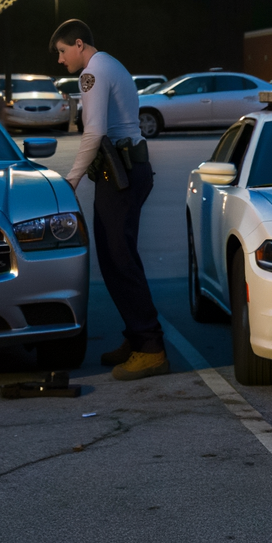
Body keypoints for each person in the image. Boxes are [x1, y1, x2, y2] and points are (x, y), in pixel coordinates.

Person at [51, 19, 168, 381]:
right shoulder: (108, 65)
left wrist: (70, 179)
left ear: (79, 44)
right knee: (118, 259)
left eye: (62, 51)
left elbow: (95, 132)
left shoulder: (93, 72)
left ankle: (151, 348)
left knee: (119, 260)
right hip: (125, 170)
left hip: (120, 174)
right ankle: (136, 338)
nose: (60, 60)